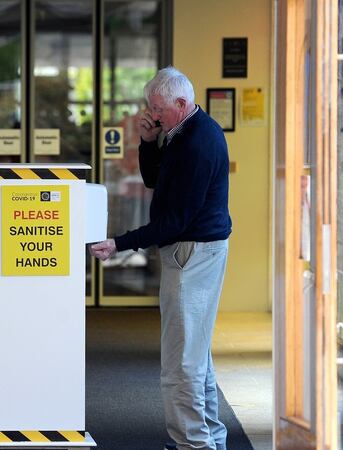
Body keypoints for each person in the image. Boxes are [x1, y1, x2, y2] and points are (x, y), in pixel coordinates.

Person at [90, 66, 232, 450]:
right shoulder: (182, 131)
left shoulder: (195, 144)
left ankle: (193, 444)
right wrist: (148, 140)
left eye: (157, 108)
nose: (151, 114)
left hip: (191, 253)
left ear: (181, 103)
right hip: (197, 248)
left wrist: (120, 243)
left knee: (180, 363)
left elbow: (172, 222)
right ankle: (208, 439)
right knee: (195, 353)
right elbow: (155, 181)